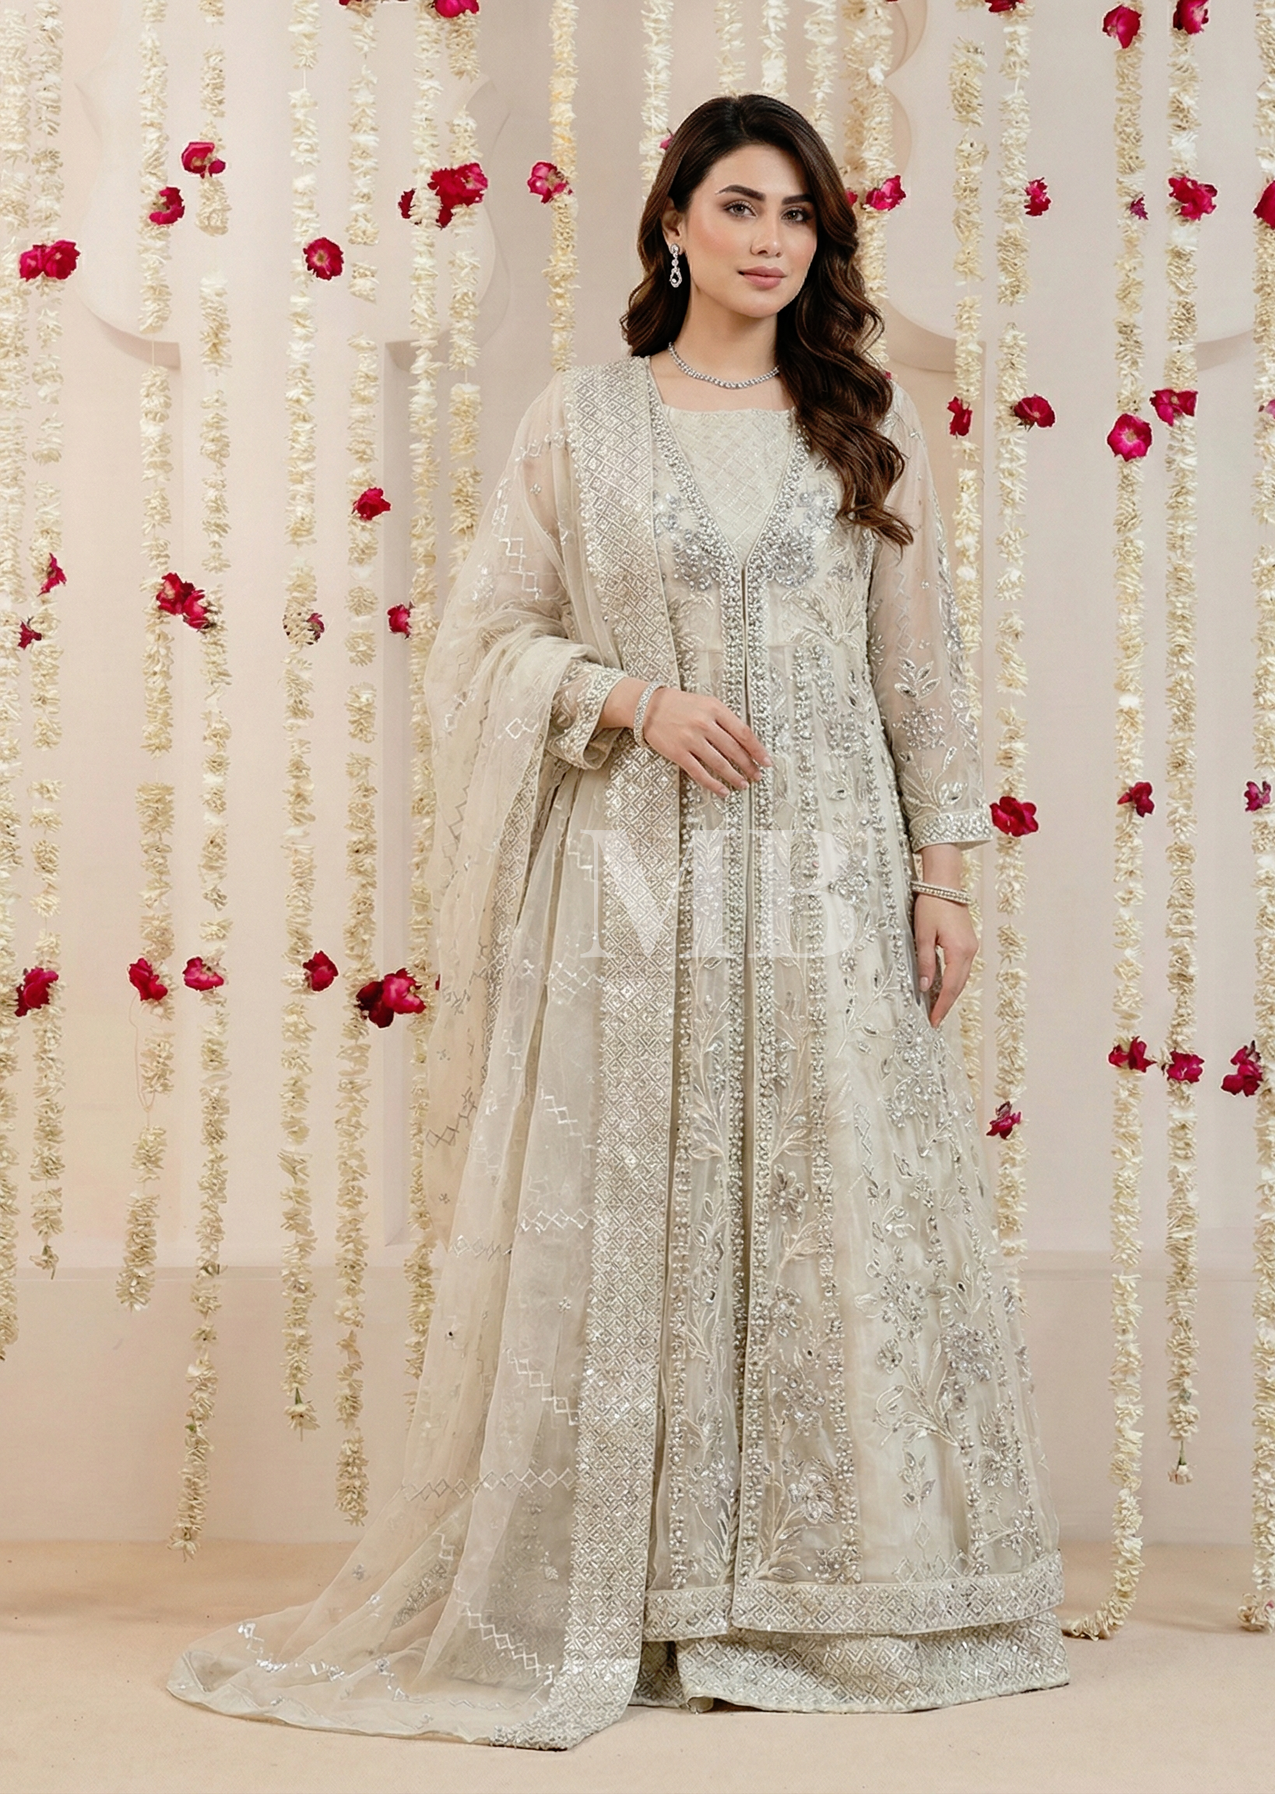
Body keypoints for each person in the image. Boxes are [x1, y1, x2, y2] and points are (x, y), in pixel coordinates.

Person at [167, 92, 1068, 1752]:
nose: (770, 240)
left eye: (797, 215)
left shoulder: (860, 426)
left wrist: (944, 874)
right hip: (640, 875)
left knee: (827, 1199)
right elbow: (481, 637)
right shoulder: (582, 423)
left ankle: (821, 1586)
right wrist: (632, 699)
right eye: (739, 206)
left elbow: (919, 671)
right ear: (672, 223)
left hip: (824, 877)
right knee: (637, 1201)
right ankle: (632, 1587)